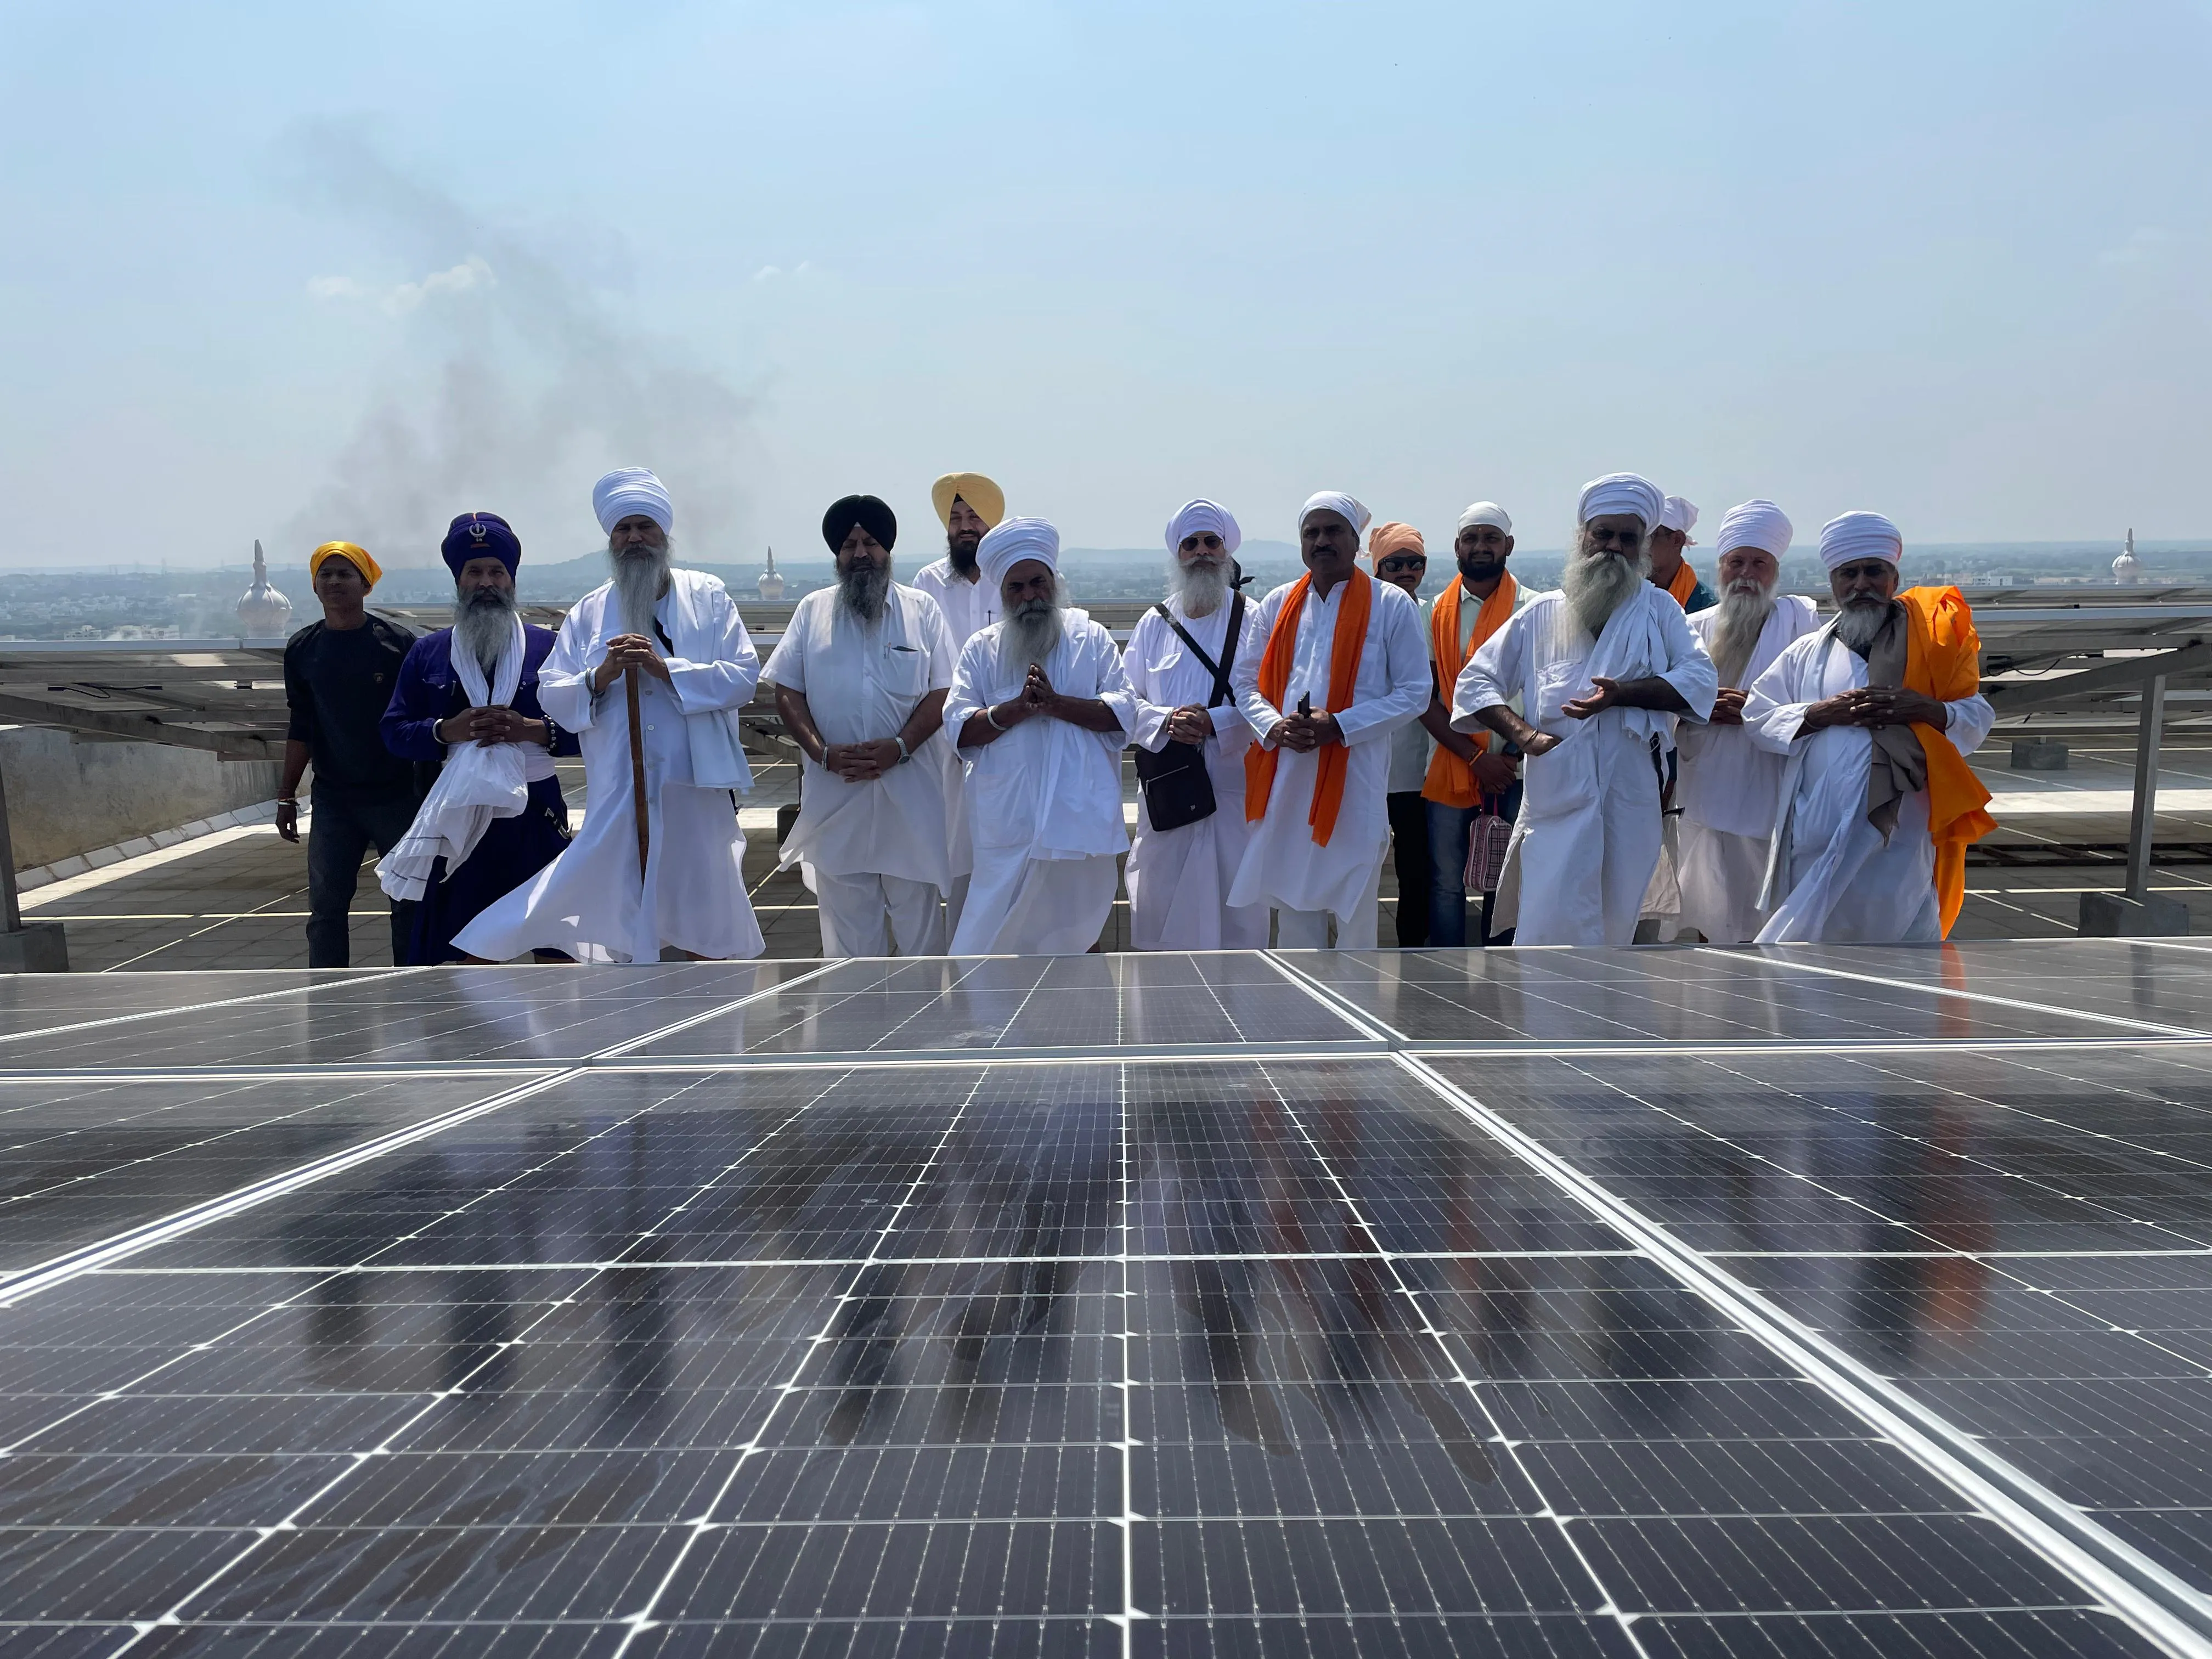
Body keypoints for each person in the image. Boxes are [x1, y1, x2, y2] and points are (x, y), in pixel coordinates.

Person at [455, 467, 765, 964]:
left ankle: (709, 1003)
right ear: (611, 540)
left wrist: (666, 670)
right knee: (615, 910)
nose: (634, 538)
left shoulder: (708, 596)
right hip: (620, 790)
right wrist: (600, 676)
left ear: (664, 534)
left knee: (703, 910)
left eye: (645, 527)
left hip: (693, 789)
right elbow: (553, 692)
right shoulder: (590, 611)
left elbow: (743, 677)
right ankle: (497, 957)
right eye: (624, 529)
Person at [1451, 473, 1718, 946]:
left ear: (1642, 546)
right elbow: (1475, 683)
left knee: (1615, 931)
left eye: (1627, 538)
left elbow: (1700, 682)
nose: (1613, 546)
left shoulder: (1660, 611)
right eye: (1603, 534)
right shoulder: (1540, 614)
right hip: (1554, 800)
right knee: (1544, 933)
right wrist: (1525, 736)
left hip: (1628, 802)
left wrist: (1624, 693)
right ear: (1583, 537)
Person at [1747, 511, 1995, 944]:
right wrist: (1819, 713)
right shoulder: (1806, 652)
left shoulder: (1933, 641)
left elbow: (1978, 715)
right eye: (1849, 574)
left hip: (1900, 832)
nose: (1861, 584)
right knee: (1811, 954)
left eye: (1873, 572)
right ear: (1833, 583)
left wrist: (1926, 709)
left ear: (1894, 578)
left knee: (1898, 947)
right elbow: (1758, 715)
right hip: (1817, 827)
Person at [764, 493, 964, 957]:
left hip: (910, 799)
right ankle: (853, 1009)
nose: (860, 554)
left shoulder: (922, 610)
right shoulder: (812, 611)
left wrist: (901, 746)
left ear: (887, 550)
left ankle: (924, 1008)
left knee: (920, 938)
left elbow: (943, 691)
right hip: (838, 797)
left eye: (870, 543)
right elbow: (787, 690)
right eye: (849, 545)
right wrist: (822, 754)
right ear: (837, 555)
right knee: (849, 948)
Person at [1227, 492, 1430, 949]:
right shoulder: (1278, 604)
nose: (1322, 541)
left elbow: (1415, 693)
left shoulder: (1391, 604)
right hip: (1287, 782)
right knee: (1295, 918)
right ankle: (1303, 999)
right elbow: (1246, 684)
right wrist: (1273, 726)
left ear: (1356, 542)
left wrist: (1339, 726)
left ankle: (1356, 998)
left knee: (1355, 917)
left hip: (1355, 784)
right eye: (1312, 532)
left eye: (1333, 530)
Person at [378, 513, 579, 963]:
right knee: (463, 952)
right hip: (460, 814)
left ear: (512, 580)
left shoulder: (550, 648)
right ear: (458, 581)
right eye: (474, 572)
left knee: (559, 948)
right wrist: (447, 731)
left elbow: (589, 727)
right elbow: (393, 731)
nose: (486, 583)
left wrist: (532, 730)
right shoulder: (429, 653)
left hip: (536, 810)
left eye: (496, 572)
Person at [944, 517, 1135, 955]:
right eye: (1016, 588)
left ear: (1054, 581)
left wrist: (1055, 704)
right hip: (1008, 824)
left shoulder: (1091, 639)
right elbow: (959, 728)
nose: (1029, 596)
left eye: (1037, 583)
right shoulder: (981, 649)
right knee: (989, 946)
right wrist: (1014, 709)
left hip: (1078, 822)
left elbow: (1125, 714)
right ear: (1002, 593)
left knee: (1076, 940)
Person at [1671, 501, 1821, 944]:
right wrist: (1697, 707)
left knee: (1767, 927)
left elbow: (1818, 703)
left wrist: (1754, 711)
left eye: (1759, 564)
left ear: (1775, 571)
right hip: (1704, 794)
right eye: (1736, 562)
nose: (1746, 574)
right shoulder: (1689, 629)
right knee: (1707, 914)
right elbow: (1662, 704)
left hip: (1770, 795)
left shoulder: (1802, 628)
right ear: (1720, 566)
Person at [1122, 500, 1267, 950]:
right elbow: (1124, 701)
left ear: (1226, 550)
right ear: (1178, 553)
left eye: (1211, 542)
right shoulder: (1154, 624)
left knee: (1238, 921)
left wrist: (1215, 723)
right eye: (1191, 544)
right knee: (1162, 915)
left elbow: (1272, 701)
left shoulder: (1256, 618)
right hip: (1170, 796)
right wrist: (1166, 720)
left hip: (1234, 796)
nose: (1201, 552)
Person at [276, 540, 420, 967]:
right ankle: (328, 993)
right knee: (326, 908)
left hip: (397, 796)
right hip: (334, 800)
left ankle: (414, 986)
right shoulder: (303, 649)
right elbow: (301, 725)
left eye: (345, 574)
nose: (335, 582)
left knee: (409, 901)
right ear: (315, 585)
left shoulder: (398, 644)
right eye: (326, 574)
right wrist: (286, 796)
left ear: (365, 584)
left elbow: (420, 719)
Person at [1420, 503, 1534, 946]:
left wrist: (1510, 756)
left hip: (1516, 771)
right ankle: (1446, 974)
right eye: (1472, 538)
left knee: (1509, 884)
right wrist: (1475, 757)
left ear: (1509, 545)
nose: (1480, 547)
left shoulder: (1533, 609)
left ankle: (1502, 975)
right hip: (1451, 762)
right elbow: (1425, 698)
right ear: (1457, 547)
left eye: (1491, 538)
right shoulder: (1434, 612)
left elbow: (1547, 694)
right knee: (1445, 882)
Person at [1368, 522, 1436, 946]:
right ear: (1377, 568)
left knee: (1416, 870)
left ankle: (1413, 956)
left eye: (1415, 563)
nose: (1406, 572)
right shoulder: (1360, 614)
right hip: (1367, 766)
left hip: (1416, 773)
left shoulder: (1433, 615)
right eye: (1394, 563)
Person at [912, 471, 1007, 648]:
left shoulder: (1014, 578)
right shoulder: (928, 582)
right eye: (955, 518)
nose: (965, 527)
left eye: (974, 517)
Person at [1649, 495, 1717, 613]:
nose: (1641, 545)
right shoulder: (1626, 594)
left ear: (1677, 540)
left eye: (1651, 536)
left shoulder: (1705, 606)